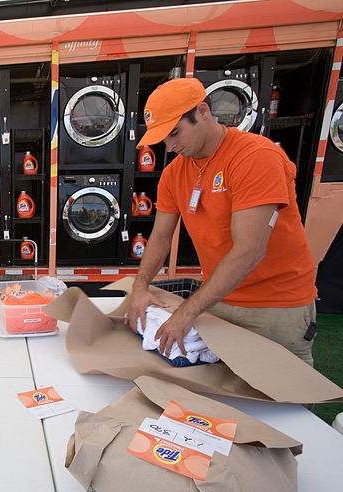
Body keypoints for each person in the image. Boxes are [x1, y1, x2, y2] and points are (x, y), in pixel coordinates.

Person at [125, 77, 317, 365]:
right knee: (224, 400)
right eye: (163, 138)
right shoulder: (174, 173)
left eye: (175, 133)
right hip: (218, 301)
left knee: (283, 402)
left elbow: (249, 250)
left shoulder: (255, 157)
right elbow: (161, 237)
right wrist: (140, 288)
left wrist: (187, 313)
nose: (170, 145)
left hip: (275, 307)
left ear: (203, 111)